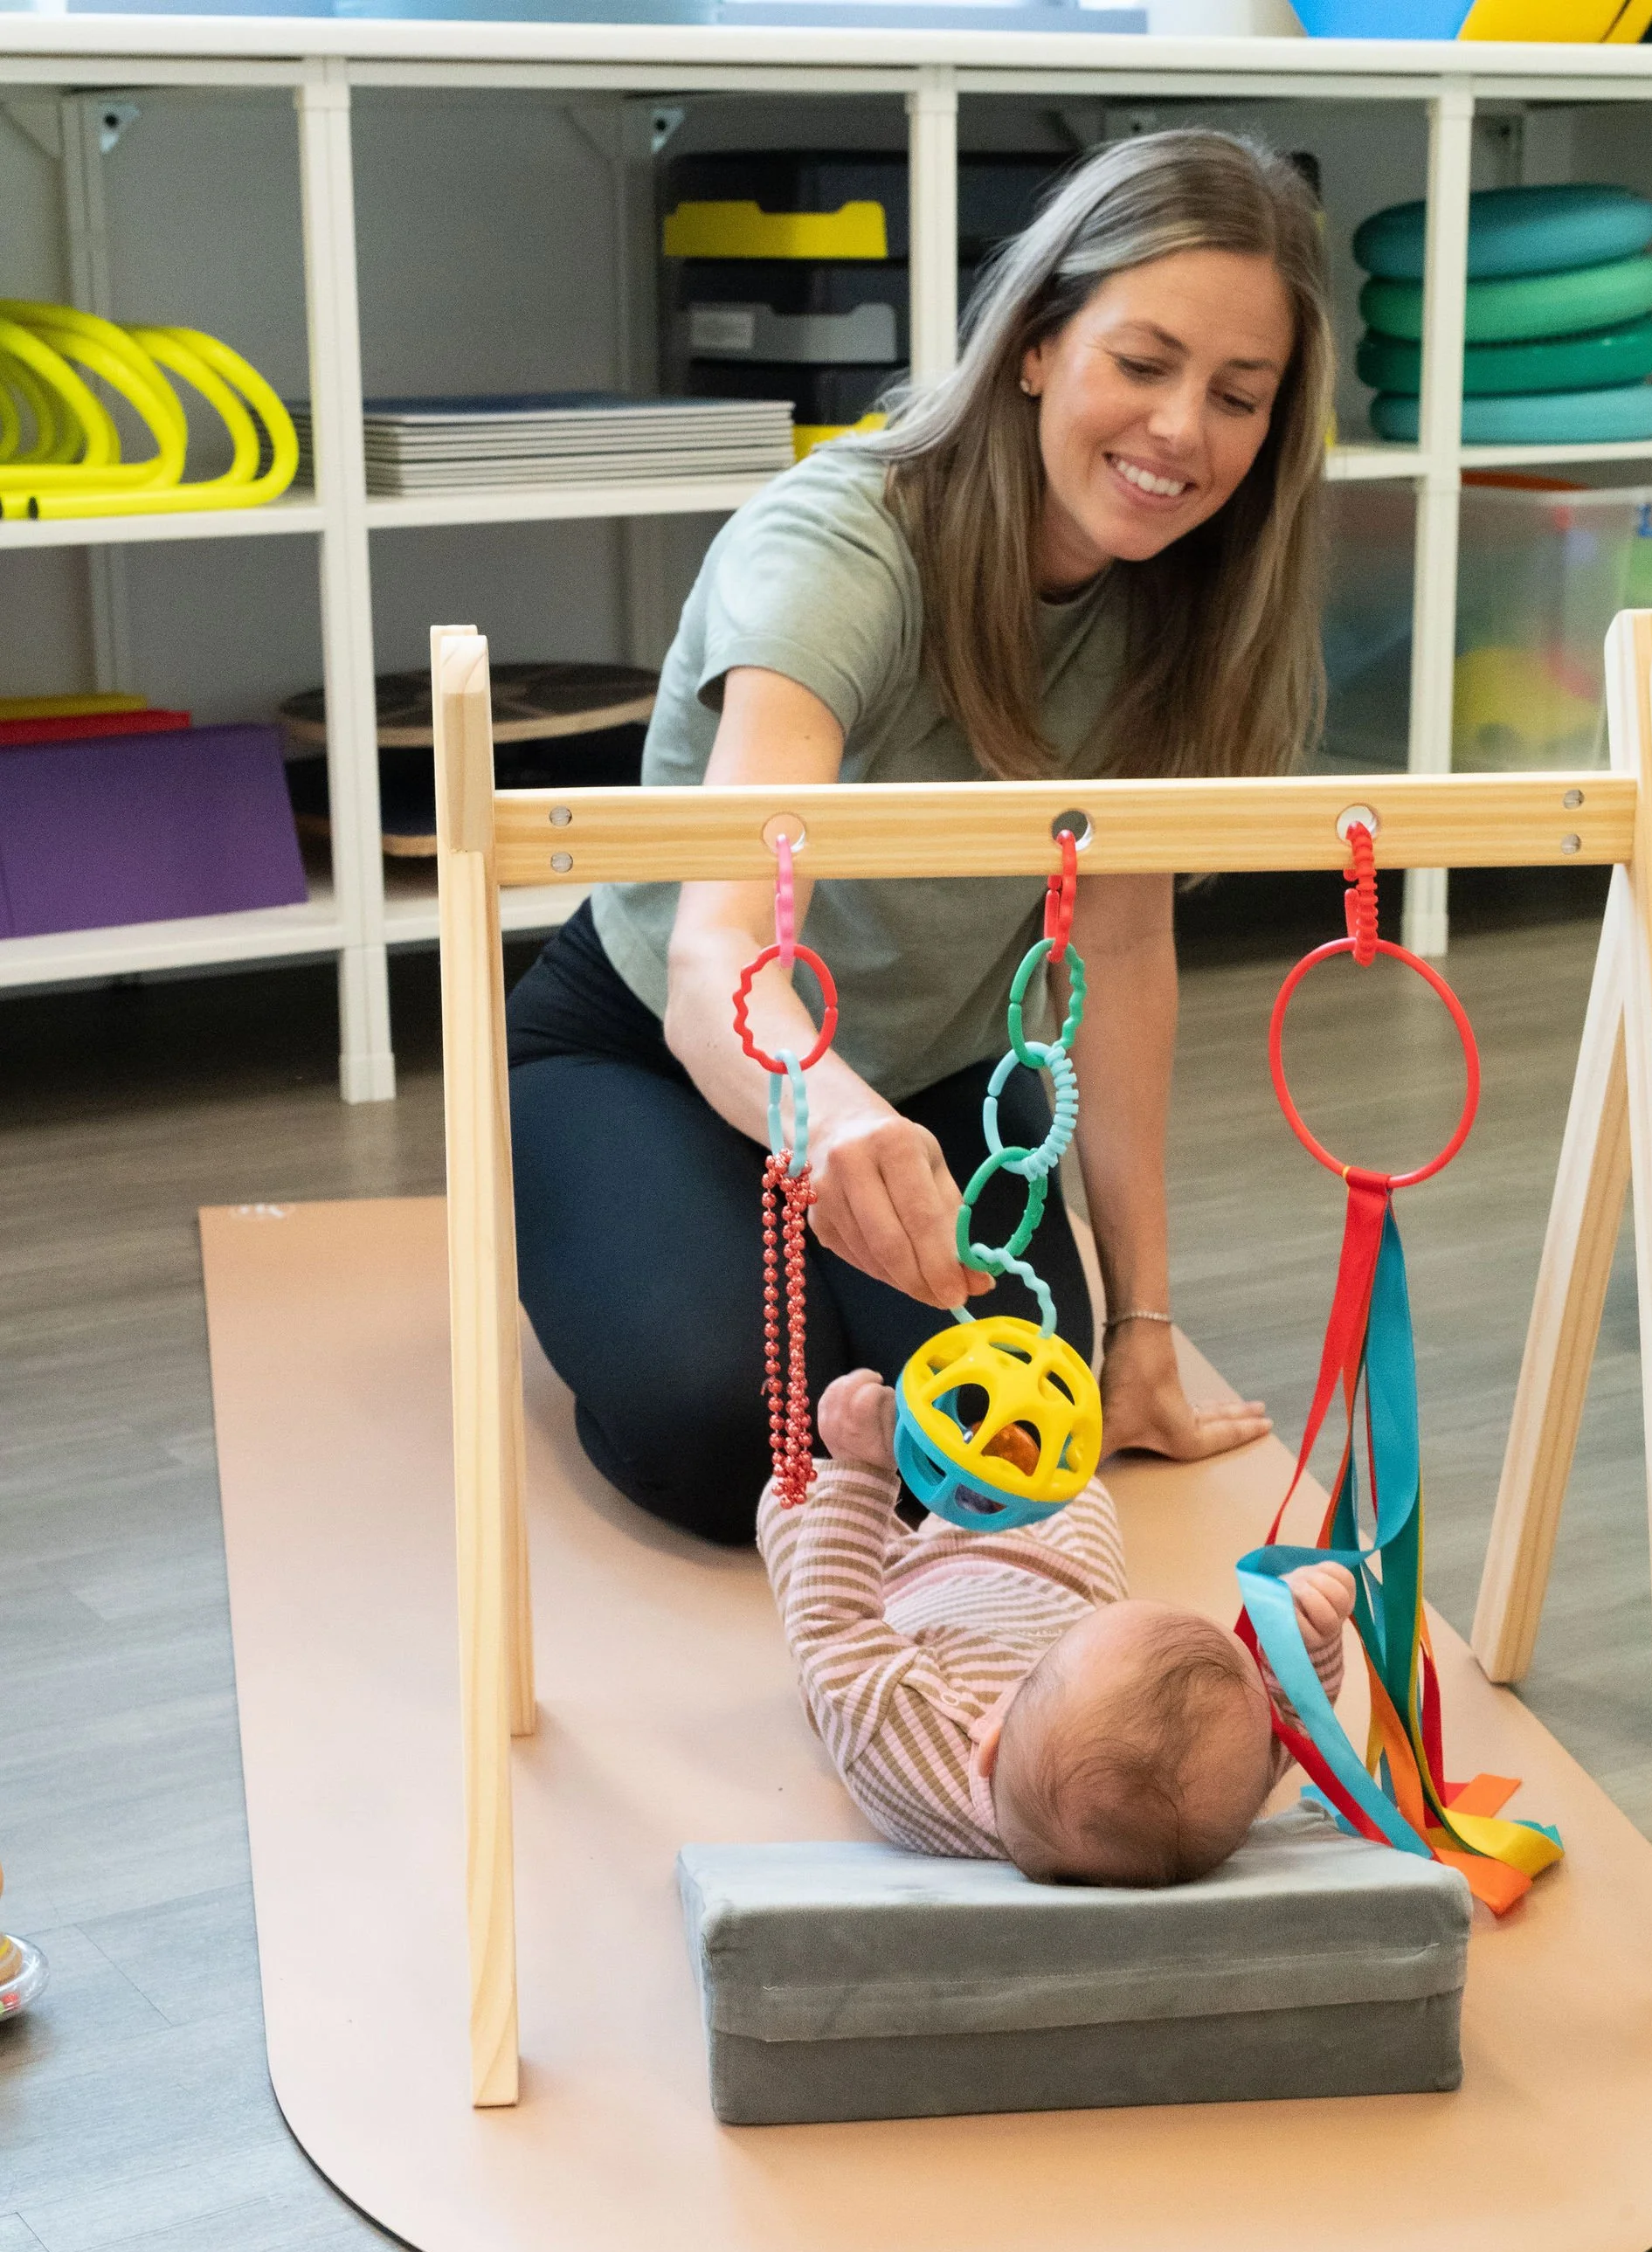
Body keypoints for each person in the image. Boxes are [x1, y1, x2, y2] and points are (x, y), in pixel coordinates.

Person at [507, 127, 1334, 1545]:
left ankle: (834, 1277)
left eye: (1235, 396)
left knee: (1020, 1431)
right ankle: (617, 1229)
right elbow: (720, 958)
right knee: (740, 1438)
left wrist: (1142, 1324)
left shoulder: (1174, 605)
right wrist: (830, 1119)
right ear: (1031, 345)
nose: (1181, 433)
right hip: (656, 1038)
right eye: (1140, 365)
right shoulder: (837, 548)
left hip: (933, 1069)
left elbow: (1123, 956)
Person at [760, 1369, 1355, 1882]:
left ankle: (929, 1498)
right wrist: (1309, 1642)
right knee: (1082, 1492)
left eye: (1049, 1653)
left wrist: (860, 1470)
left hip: (899, 1592)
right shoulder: (1205, 1797)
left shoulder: (908, 1746)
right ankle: (1012, 1507)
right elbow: (1290, 1722)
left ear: (988, 1741)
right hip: (1052, 1574)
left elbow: (832, 1625)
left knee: (793, 1507)